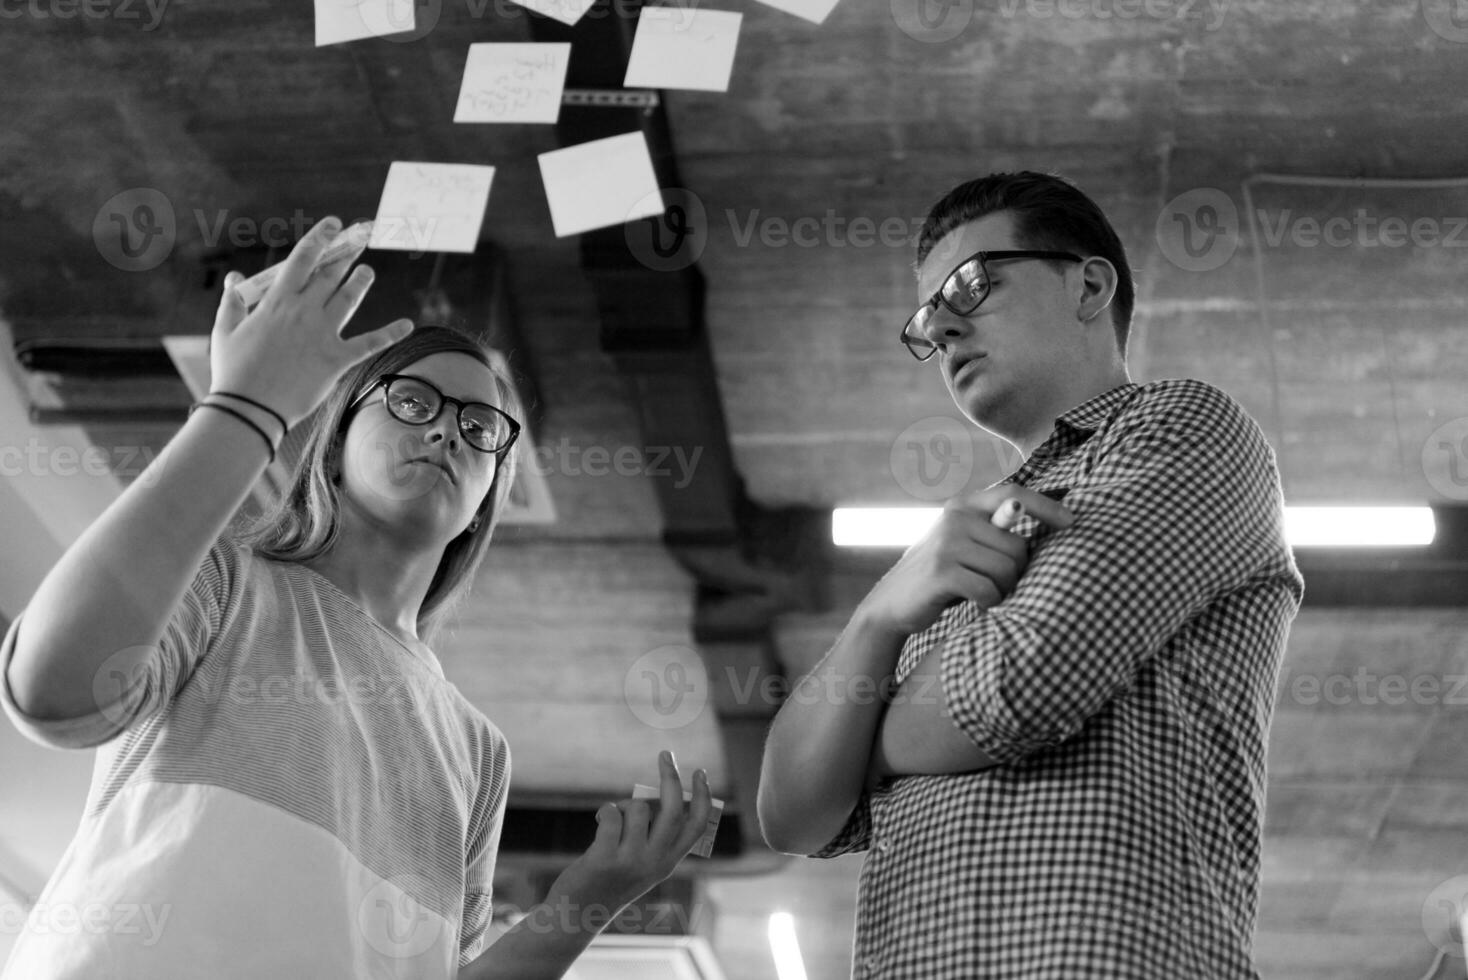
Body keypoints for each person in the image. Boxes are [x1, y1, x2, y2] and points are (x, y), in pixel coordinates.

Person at [0, 216, 713, 979]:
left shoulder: (478, 750)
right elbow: (52, 692)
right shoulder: (226, 583)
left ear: (487, 499)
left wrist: (588, 898)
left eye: (480, 426)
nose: (446, 432)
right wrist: (245, 405)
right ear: (334, 443)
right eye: (412, 401)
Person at [757, 171, 1304, 978]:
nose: (940, 326)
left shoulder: (1182, 425)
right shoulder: (955, 550)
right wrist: (878, 617)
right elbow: (792, 814)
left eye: (973, 285)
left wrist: (859, 741)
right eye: (926, 316)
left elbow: (1022, 682)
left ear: (1088, 285)